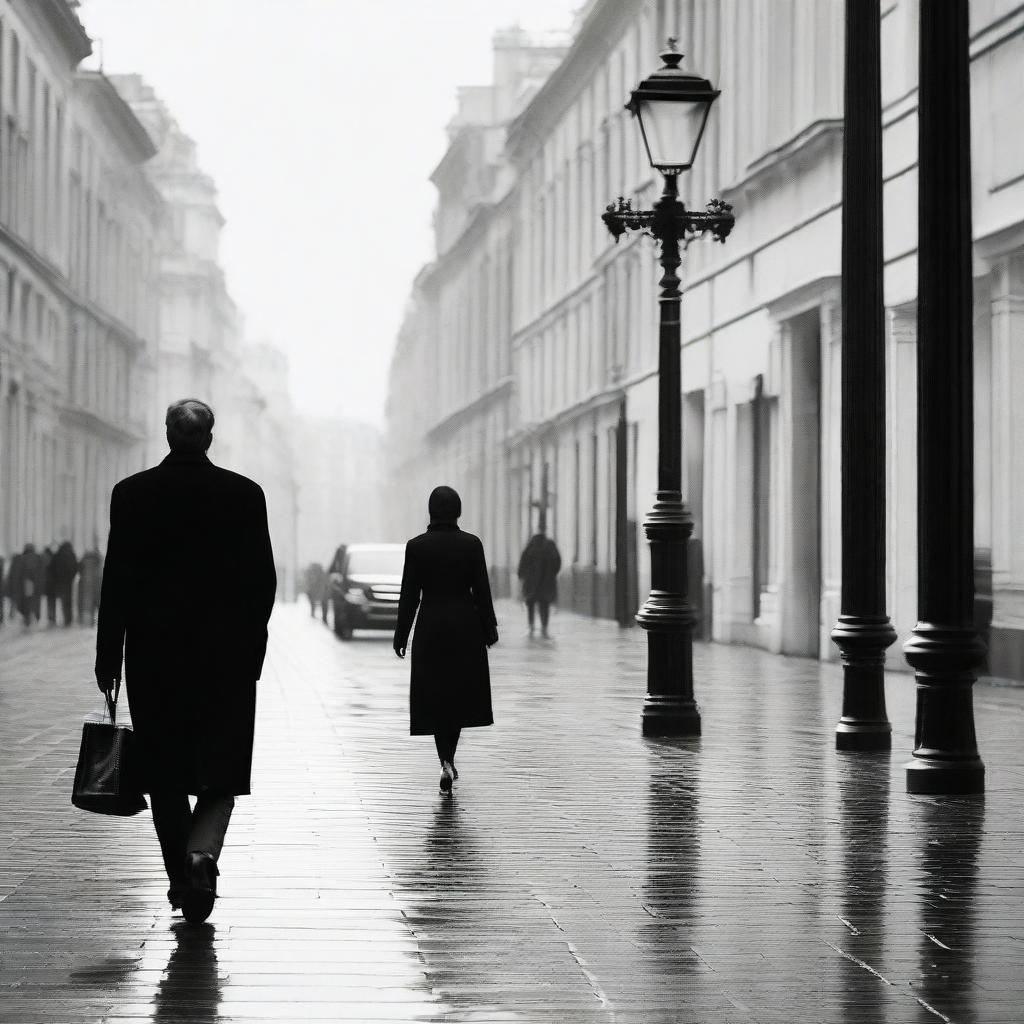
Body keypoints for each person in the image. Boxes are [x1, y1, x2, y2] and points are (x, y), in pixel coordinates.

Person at [95, 399, 277, 924]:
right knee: (222, 772)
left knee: (166, 774)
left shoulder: (131, 495)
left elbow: (117, 583)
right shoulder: (244, 495)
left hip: (155, 659)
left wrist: (109, 657)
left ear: (168, 435)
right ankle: (202, 855)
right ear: (210, 438)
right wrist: (252, 650)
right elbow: (262, 583)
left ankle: (181, 875)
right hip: (227, 660)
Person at [393, 485, 498, 794]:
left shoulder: (417, 546)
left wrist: (402, 634)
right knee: (459, 696)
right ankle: (449, 760)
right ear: (458, 511)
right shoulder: (471, 545)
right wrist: (489, 627)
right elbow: (482, 590)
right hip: (465, 626)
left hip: (431, 627)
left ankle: (444, 761)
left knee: (436, 696)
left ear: (430, 511)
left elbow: (409, 595)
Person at [517, 527, 562, 638]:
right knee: (544, 604)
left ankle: (531, 626)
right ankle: (544, 626)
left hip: (531, 582)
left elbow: (523, 562)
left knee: (531, 604)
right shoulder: (550, 545)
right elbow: (558, 561)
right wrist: (552, 575)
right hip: (546, 582)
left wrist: (522, 575)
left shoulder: (530, 545)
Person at [51, 541, 79, 626]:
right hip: (68, 581)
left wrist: (57, 577)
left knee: (63, 600)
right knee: (69, 600)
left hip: (60, 581)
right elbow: (75, 567)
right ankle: (69, 619)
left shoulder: (58, 555)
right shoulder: (71, 554)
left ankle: (65, 619)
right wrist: (71, 577)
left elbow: (53, 567)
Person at [77, 547, 103, 626]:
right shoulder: (98, 563)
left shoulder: (83, 563)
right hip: (97, 587)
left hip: (86, 589)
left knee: (87, 605)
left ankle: (87, 622)